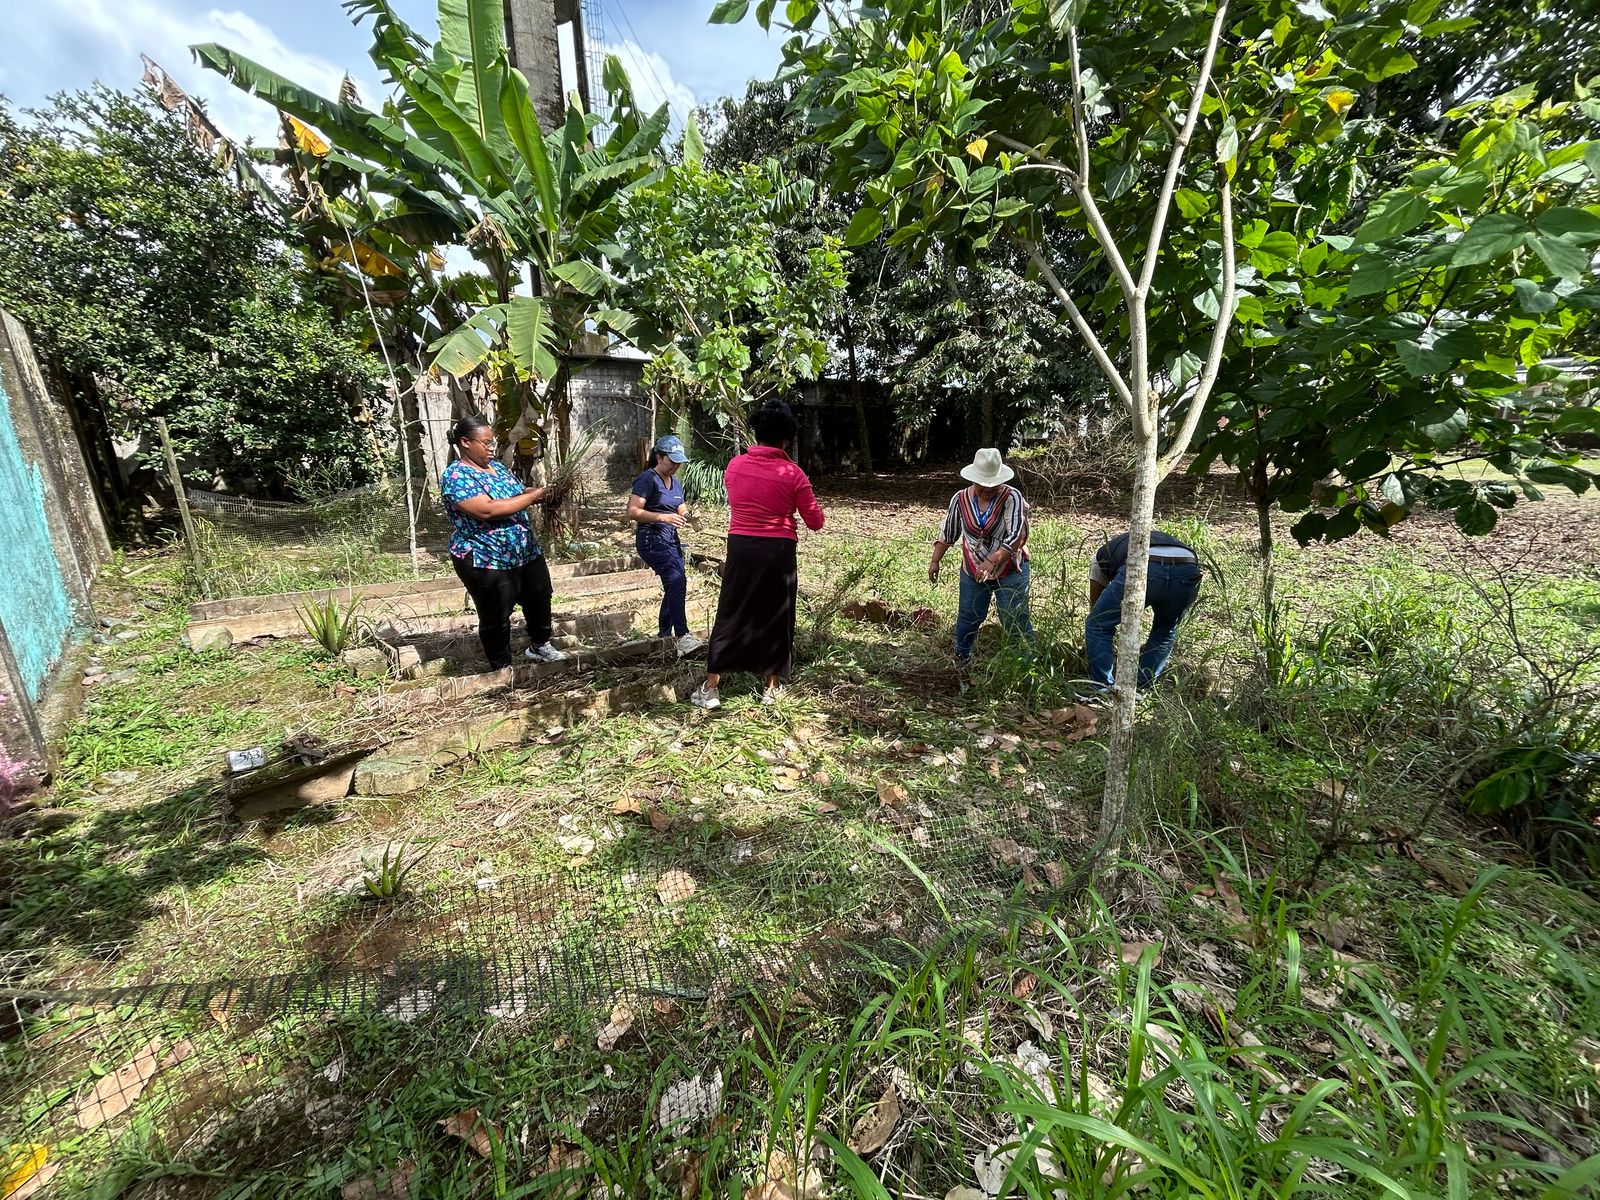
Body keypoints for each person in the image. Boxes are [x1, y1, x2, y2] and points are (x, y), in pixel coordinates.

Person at [691, 401, 826, 709]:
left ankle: (711, 688)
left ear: (757, 434)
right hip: (778, 553)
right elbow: (816, 522)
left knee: (731, 611)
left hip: (741, 548)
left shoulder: (735, 466)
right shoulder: (793, 474)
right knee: (776, 615)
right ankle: (771, 688)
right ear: (786, 439)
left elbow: (739, 499)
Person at [440, 415, 569, 670]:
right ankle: (502, 666)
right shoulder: (455, 476)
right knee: (496, 613)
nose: (492, 448)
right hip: (486, 557)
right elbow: (487, 510)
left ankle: (539, 645)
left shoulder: (497, 468)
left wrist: (545, 492)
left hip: (524, 551)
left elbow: (519, 493)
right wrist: (532, 498)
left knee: (540, 597)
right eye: (486, 443)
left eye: (492, 443)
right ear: (465, 442)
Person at [928, 448, 1034, 663]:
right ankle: (962, 657)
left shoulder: (1012, 497)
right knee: (969, 615)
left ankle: (1024, 663)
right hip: (973, 567)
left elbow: (1016, 536)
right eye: (983, 484)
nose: (988, 489)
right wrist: (935, 561)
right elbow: (949, 532)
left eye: (993, 484)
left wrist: (992, 561)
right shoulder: (960, 499)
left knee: (1014, 617)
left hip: (1009, 568)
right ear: (974, 479)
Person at [1085, 528, 1202, 692]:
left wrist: (1098, 639)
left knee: (1097, 624)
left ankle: (1102, 687)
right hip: (1187, 565)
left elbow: (1097, 611)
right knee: (1166, 629)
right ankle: (1142, 687)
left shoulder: (1098, 559)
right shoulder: (1125, 545)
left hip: (1146, 562)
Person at [629, 434, 702, 656]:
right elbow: (633, 511)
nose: (676, 466)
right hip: (651, 538)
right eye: (672, 461)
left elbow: (680, 506)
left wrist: (690, 517)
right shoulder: (647, 479)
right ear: (659, 457)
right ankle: (682, 636)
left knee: (676, 582)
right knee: (676, 580)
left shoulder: (675, 481)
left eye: (679, 462)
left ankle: (664, 635)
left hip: (671, 538)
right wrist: (662, 517)